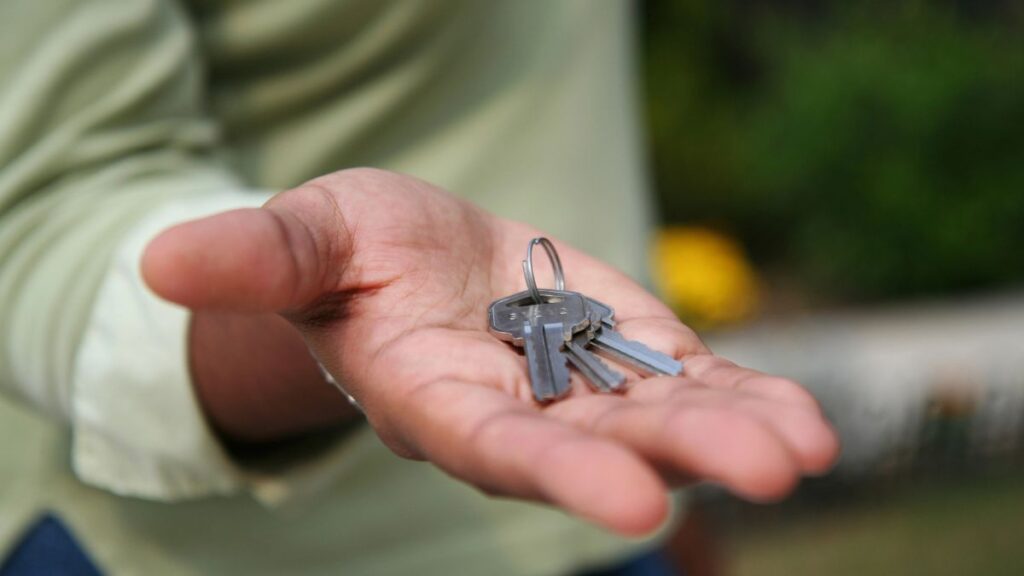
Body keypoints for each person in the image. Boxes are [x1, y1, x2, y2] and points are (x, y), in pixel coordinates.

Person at [0, 1, 839, 574]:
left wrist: (673, 494)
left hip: (607, 509)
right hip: (206, 554)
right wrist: (341, 303)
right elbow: (36, 217)